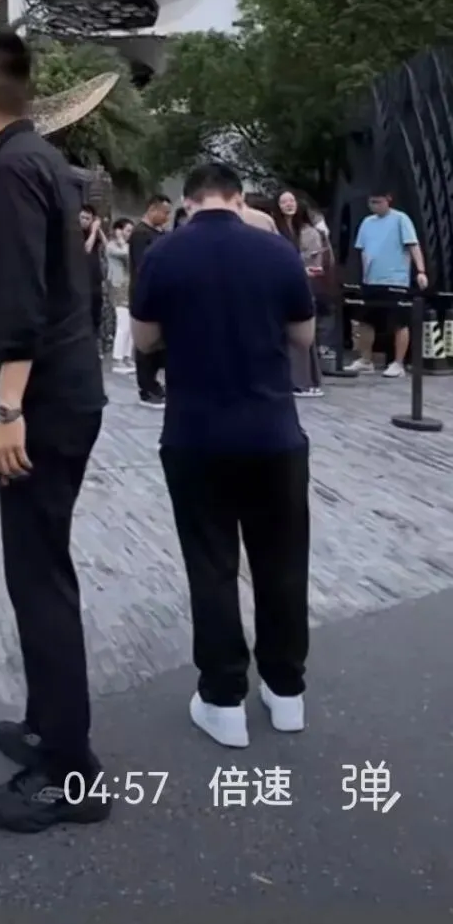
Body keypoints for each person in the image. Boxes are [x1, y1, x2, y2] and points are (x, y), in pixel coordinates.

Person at [0, 27, 107, 834]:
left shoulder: (13, 170)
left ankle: (69, 775)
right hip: (70, 391)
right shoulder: (46, 162)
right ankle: (50, 725)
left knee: (40, 575)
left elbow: (19, 298)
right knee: (40, 567)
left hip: (42, 402)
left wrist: (7, 407)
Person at [130, 161, 314, 750]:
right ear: (238, 200)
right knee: (282, 564)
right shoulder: (277, 252)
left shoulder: (163, 253)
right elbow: (305, 337)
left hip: (196, 435)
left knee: (211, 566)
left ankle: (223, 698)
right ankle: (286, 692)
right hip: (273, 434)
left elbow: (143, 339)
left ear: (188, 203)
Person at [346, 189, 427, 378]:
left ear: (388, 200)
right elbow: (363, 251)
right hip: (371, 280)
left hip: (395, 279)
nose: (374, 206)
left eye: (378, 202)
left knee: (399, 322)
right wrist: (362, 276)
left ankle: (398, 363)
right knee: (364, 320)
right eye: (371, 202)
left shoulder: (400, 219)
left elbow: (413, 245)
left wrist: (421, 271)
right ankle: (365, 360)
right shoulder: (367, 222)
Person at [274, 191, 325, 398]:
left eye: (291, 201)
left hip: (302, 284)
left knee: (303, 331)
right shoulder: (274, 230)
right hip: (278, 286)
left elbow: (316, 262)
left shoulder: (308, 231)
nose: (289, 204)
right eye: (284, 201)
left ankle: (304, 380)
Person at [129, 194, 172, 404]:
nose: (167, 217)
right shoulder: (140, 234)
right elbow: (142, 265)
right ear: (152, 209)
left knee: (160, 344)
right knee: (146, 343)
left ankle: (155, 383)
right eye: (164, 212)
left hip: (161, 292)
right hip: (145, 292)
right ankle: (146, 387)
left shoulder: (160, 233)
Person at [105, 217, 134, 374]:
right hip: (118, 287)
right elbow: (126, 255)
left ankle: (127, 356)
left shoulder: (127, 246)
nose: (129, 234)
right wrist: (121, 240)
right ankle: (117, 359)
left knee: (130, 325)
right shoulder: (112, 246)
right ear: (119, 230)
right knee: (123, 324)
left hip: (129, 286)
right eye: (127, 230)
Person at [79, 204, 105, 344]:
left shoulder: (94, 233)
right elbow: (87, 249)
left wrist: (98, 229)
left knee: (96, 310)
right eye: (82, 217)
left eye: (87, 218)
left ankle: (96, 340)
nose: (84, 221)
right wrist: (94, 231)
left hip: (95, 278)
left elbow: (107, 246)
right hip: (83, 279)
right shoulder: (77, 234)